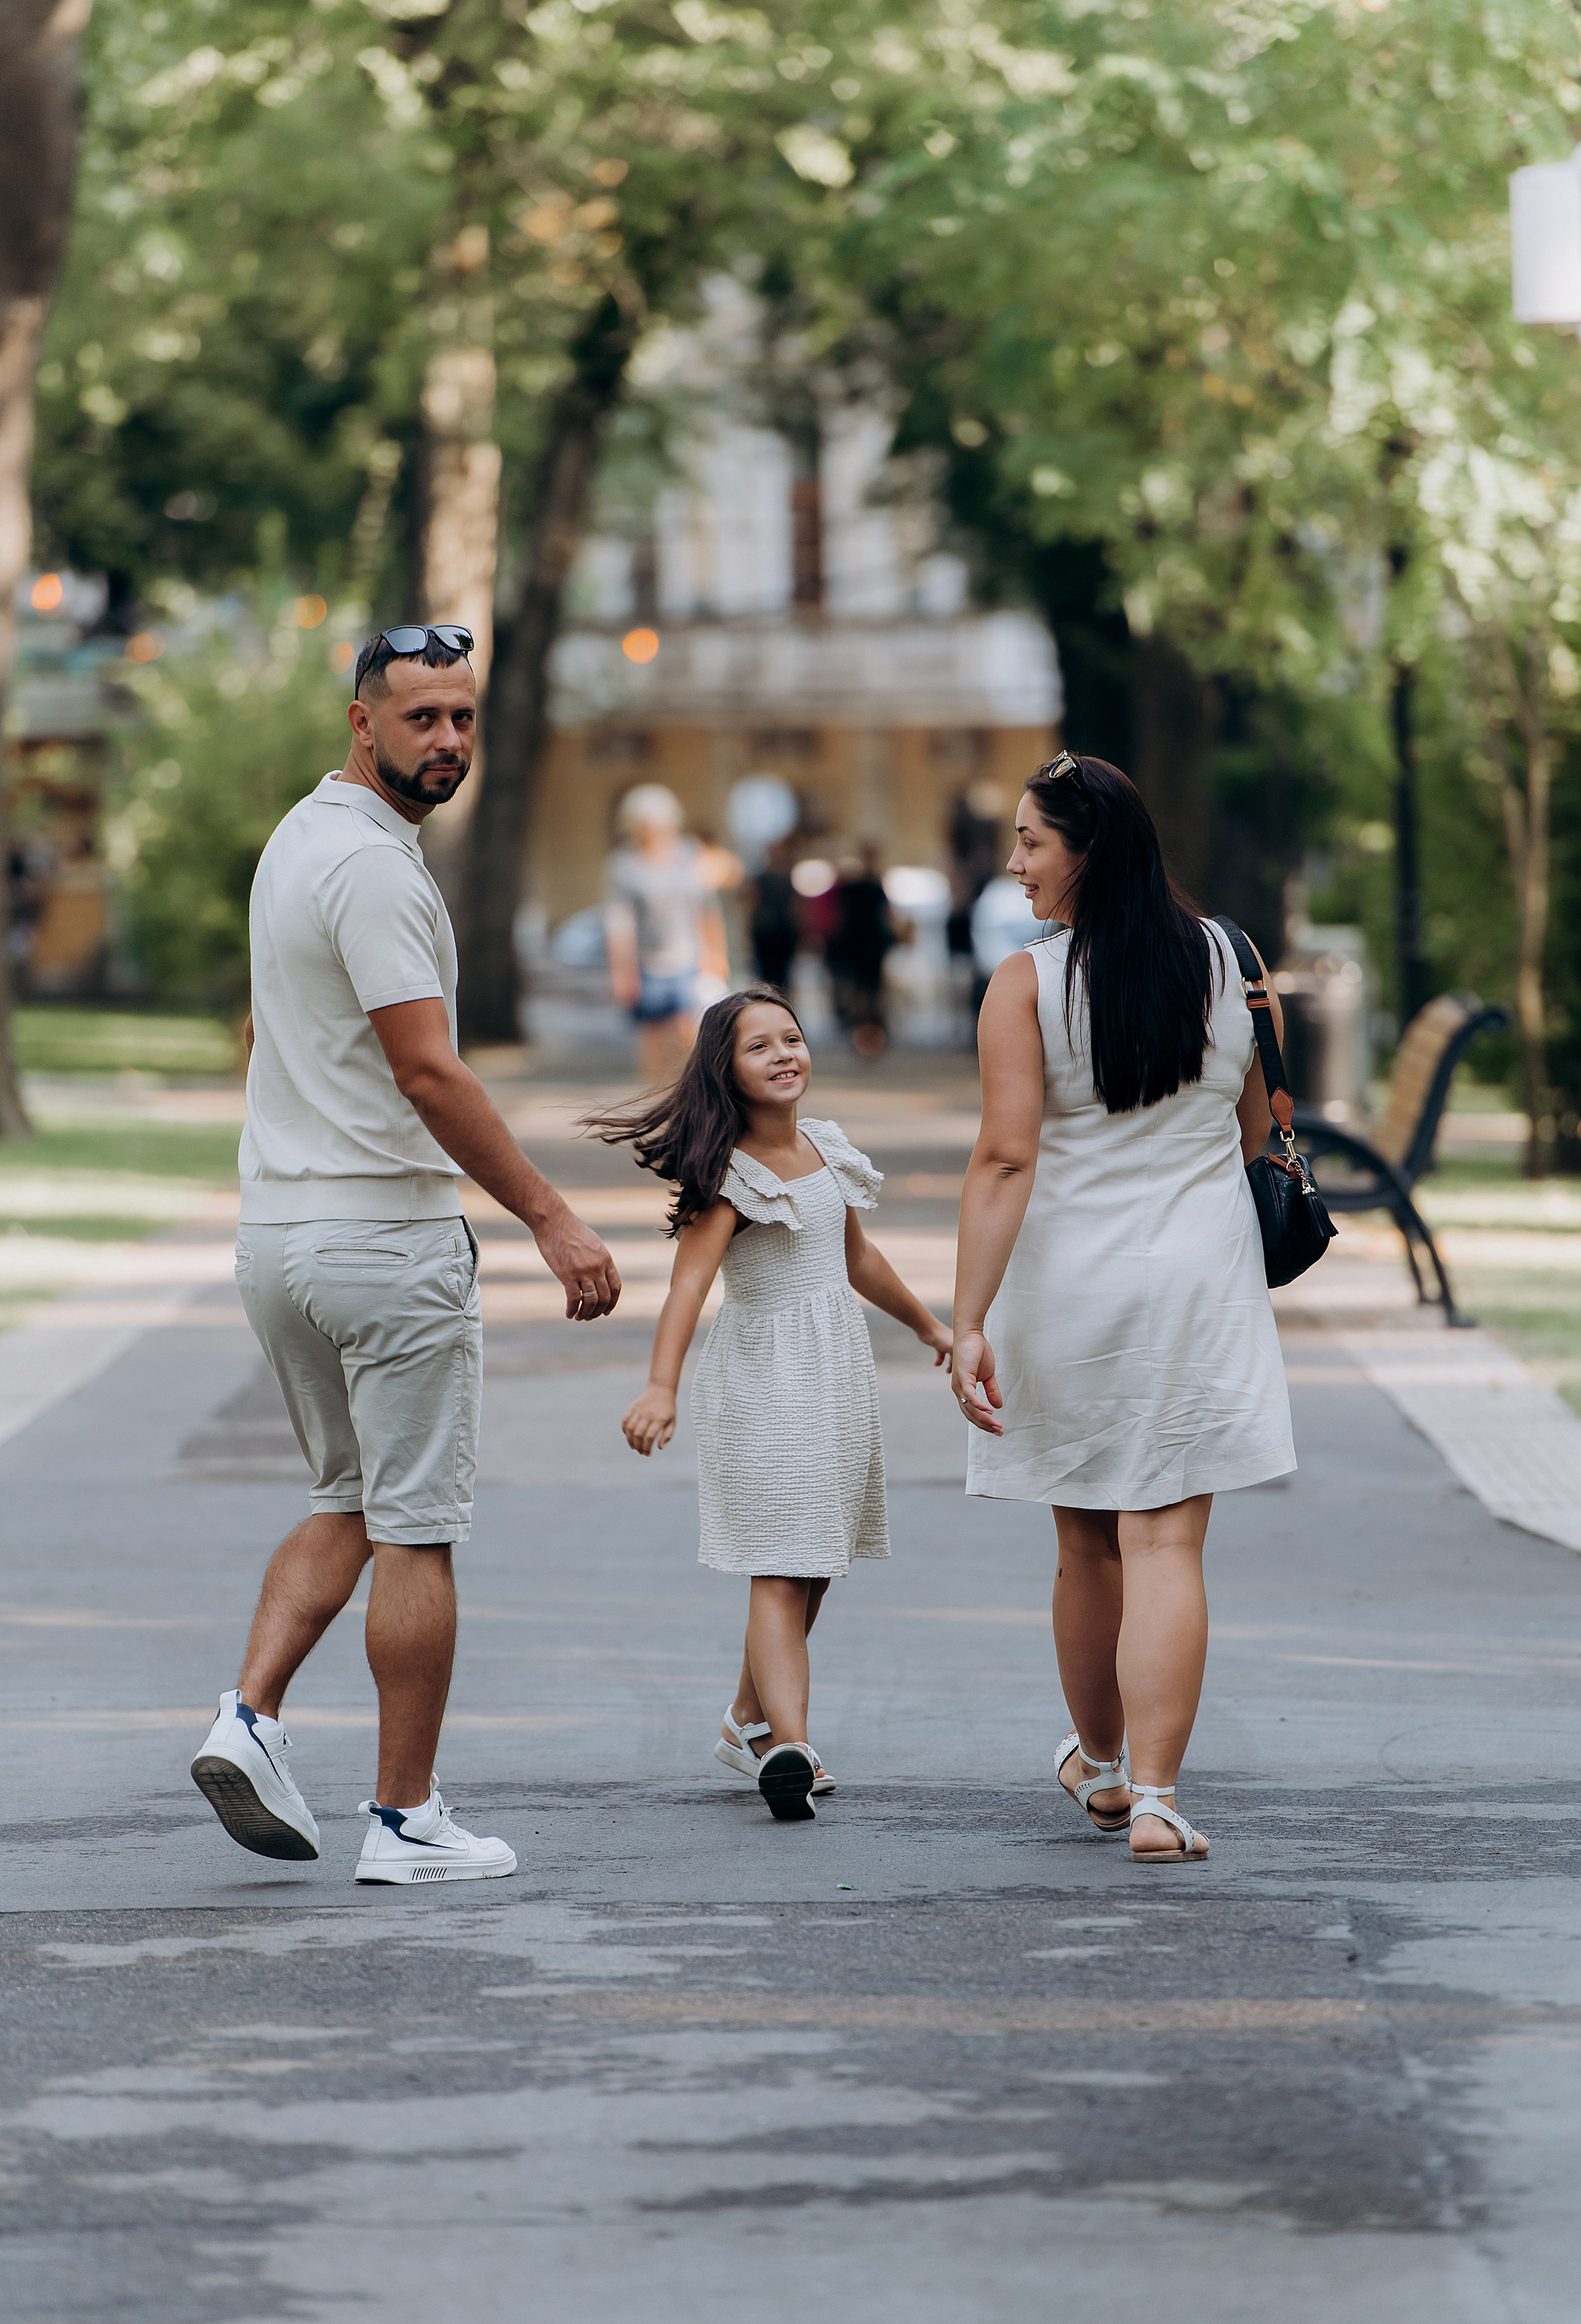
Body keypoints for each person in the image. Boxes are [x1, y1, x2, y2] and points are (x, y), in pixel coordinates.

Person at [190, 623, 621, 1885]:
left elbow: (280, 1034)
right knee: (418, 1529)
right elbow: (428, 1072)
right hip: (383, 1241)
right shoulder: (376, 869)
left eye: (462, 717)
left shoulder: (299, 837)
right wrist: (550, 1216)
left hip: (279, 1238)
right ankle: (405, 1818)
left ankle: (248, 1717)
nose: (446, 740)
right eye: (420, 716)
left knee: (349, 1501)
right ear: (361, 721)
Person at [951, 752, 1294, 1864]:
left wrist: (966, 1320)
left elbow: (1006, 1159)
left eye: (1032, 842)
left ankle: (1100, 1770)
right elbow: (1257, 1131)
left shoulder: (1026, 983)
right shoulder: (1233, 960)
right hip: (1200, 1283)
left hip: (1070, 1285)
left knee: (1087, 1543)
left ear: (1089, 852)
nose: (1015, 864)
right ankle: (1156, 1798)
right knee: (1168, 1543)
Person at [585, 987, 952, 1822]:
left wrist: (930, 1326)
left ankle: (747, 1719)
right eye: (760, 1046)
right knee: (783, 1566)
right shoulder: (729, 1177)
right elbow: (688, 1286)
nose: (784, 1054)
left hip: (835, 1377)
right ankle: (790, 1745)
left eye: (791, 1037)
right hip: (763, 1380)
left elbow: (858, 1259)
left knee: (814, 1562)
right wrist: (661, 1385)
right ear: (726, 1071)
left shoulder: (825, 1147)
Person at [604, 785, 729, 1086]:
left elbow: (707, 909)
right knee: (654, 1038)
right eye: (646, 825)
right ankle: (658, 1097)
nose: (654, 832)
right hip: (648, 965)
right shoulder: (624, 865)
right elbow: (619, 924)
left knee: (692, 1035)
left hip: (690, 960)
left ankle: (693, 1096)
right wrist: (622, 972)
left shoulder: (689, 854)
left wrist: (716, 953)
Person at [827, 843, 902, 1059]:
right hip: (870, 944)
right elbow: (888, 915)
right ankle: (871, 1033)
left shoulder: (851, 887)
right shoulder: (873, 886)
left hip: (856, 943)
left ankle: (862, 1033)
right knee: (872, 991)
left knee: (860, 991)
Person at [746, 835, 801, 994]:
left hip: (779, 931)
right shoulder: (769, 877)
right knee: (774, 976)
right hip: (771, 931)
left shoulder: (784, 877)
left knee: (776, 976)